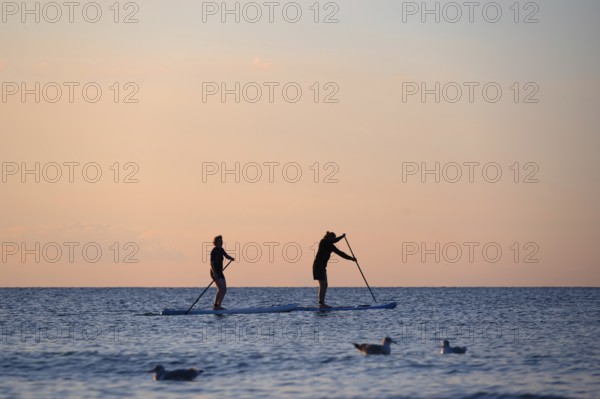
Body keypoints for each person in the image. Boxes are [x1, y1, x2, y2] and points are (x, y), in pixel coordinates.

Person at [313, 231, 356, 308]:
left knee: (325, 285)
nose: (334, 240)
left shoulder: (331, 246)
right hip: (318, 266)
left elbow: (340, 253)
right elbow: (334, 240)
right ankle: (321, 304)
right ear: (329, 237)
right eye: (333, 238)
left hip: (322, 267)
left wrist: (351, 258)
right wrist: (342, 236)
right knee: (323, 285)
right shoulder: (323, 241)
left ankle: (322, 303)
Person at [210, 235, 234, 310]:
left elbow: (226, 256)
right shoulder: (214, 251)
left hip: (220, 272)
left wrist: (231, 258)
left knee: (224, 289)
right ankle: (215, 305)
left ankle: (219, 305)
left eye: (222, 241)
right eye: (220, 241)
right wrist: (215, 273)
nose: (221, 242)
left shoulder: (221, 249)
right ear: (216, 242)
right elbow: (211, 263)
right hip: (214, 271)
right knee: (220, 288)